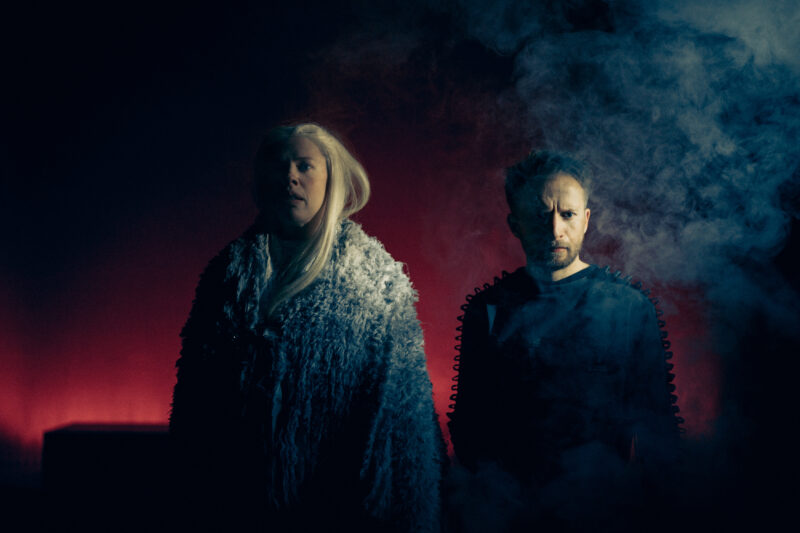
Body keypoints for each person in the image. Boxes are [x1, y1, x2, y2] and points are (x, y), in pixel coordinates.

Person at [169, 123, 443, 532]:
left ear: (332, 179)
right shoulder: (225, 276)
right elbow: (194, 402)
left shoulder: (375, 282)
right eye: (278, 165)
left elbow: (407, 418)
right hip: (236, 506)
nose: (290, 176)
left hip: (338, 510)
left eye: (304, 165)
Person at [446, 151, 682, 531]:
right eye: (541, 215)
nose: (555, 229)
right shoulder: (488, 309)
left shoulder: (629, 307)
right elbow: (469, 428)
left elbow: (658, 431)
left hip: (604, 517)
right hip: (509, 518)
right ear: (515, 224)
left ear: (585, 219)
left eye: (567, 214)